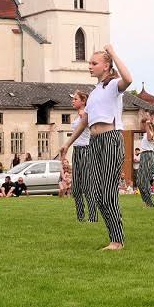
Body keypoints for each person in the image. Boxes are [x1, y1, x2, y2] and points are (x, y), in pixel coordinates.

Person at [60, 44, 133, 251]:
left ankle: (117, 241)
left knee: (107, 192)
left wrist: (114, 53)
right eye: (90, 63)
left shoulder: (113, 86)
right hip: (94, 142)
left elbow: (129, 79)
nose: (89, 66)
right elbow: (85, 121)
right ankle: (114, 238)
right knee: (97, 194)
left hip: (110, 139)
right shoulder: (93, 94)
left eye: (94, 63)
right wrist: (67, 143)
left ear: (106, 65)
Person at [66, 89, 96, 222]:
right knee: (76, 187)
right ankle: (80, 216)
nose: (73, 101)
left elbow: (93, 131)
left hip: (86, 150)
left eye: (75, 99)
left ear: (83, 101)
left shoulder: (86, 115)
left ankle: (93, 216)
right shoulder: (77, 116)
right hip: (77, 151)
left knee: (87, 185)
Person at [135, 112, 154, 208]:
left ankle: (150, 203)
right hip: (144, 155)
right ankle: (146, 201)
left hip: (148, 157)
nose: (141, 126)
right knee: (139, 181)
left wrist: (148, 125)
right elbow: (147, 146)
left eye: (142, 124)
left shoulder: (150, 132)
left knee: (144, 180)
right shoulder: (145, 134)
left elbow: (150, 138)